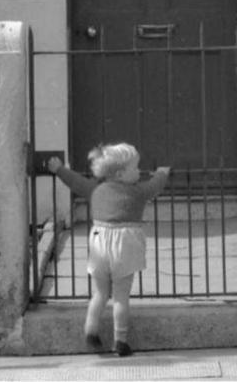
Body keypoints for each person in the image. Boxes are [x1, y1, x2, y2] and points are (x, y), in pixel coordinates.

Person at [47, 143, 170, 357]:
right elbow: (155, 186)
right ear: (121, 173)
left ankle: (90, 329)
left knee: (101, 293)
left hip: (99, 241)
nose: (139, 172)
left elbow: (76, 182)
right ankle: (120, 341)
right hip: (125, 243)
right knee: (121, 297)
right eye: (135, 168)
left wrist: (58, 169)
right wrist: (162, 172)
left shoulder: (95, 189)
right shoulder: (139, 191)